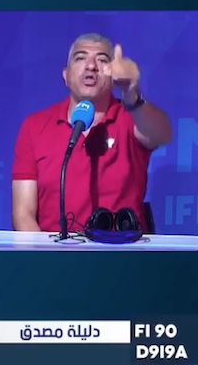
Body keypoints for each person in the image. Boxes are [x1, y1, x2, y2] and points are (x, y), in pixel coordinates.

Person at [11, 33, 173, 233]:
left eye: (102, 60)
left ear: (112, 75)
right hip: (54, 250)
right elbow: (23, 215)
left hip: (123, 249)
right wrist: (44, 253)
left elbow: (162, 134)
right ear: (66, 75)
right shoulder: (34, 126)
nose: (91, 66)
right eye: (80, 58)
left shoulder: (132, 117)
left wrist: (131, 93)